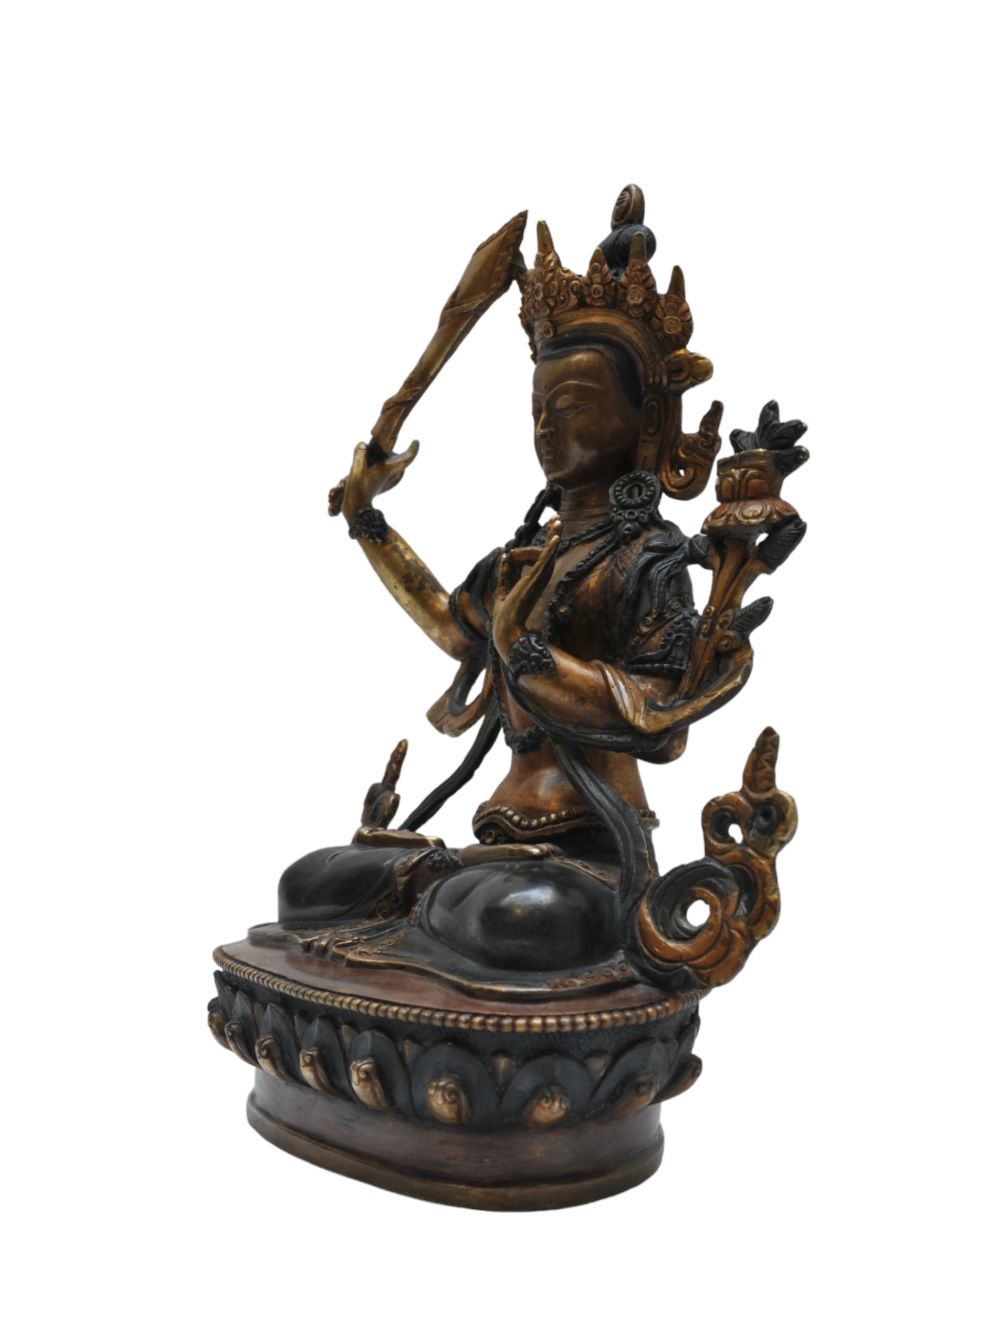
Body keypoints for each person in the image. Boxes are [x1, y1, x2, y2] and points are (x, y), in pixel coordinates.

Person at [277, 193, 757, 984]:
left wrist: (534, 659)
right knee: (310, 885)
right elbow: (450, 625)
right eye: (538, 408)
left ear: (645, 423)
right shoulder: (524, 558)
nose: (546, 428)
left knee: (518, 917)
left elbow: (664, 722)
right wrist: (368, 520)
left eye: (572, 406)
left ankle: (441, 923)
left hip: (589, 853)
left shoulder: (650, 559)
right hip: (488, 845)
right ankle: (431, 910)